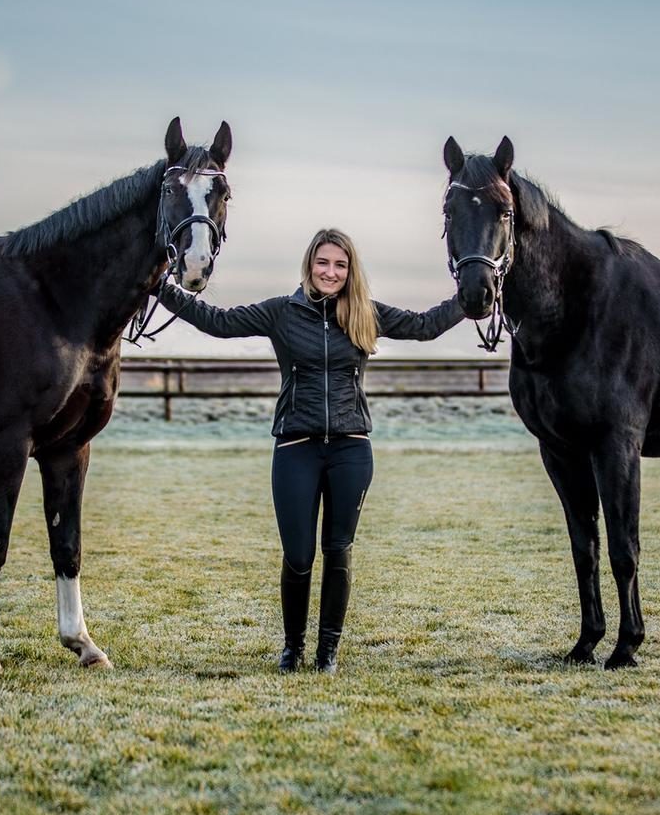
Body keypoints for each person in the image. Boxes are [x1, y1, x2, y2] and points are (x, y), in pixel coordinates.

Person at [157, 229, 465, 673]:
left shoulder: (365, 312)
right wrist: (162, 288)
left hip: (351, 449)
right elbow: (218, 322)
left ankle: (327, 653)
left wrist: (475, 291)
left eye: (340, 265)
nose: (331, 272)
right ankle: (293, 648)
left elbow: (425, 326)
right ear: (310, 264)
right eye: (324, 263)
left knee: (338, 550)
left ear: (349, 270)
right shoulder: (282, 312)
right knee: (299, 556)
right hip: (296, 447)